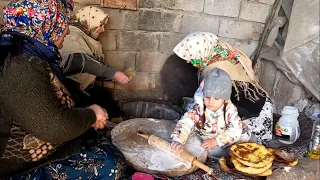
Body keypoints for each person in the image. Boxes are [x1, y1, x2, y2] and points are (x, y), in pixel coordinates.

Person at [0, 0, 124, 179]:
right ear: (46, 25)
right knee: (112, 165)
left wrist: (88, 113)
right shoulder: (21, 66)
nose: (66, 31)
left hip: (43, 138)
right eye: (63, 24)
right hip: (17, 164)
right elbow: (53, 128)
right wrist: (91, 114)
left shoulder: (29, 55)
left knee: (100, 143)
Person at [172, 32, 274, 143]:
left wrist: (217, 139)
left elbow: (233, 123)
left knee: (238, 138)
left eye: (191, 57)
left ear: (201, 52)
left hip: (256, 115)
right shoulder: (218, 51)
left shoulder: (217, 72)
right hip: (246, 104)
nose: (188, 61)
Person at [59, 6, 131, 119]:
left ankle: (113, 123)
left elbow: (95, 65)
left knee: (109, 104)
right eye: (100, 25)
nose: (103, 30)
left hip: (85, 85)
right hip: (69, 86)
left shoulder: (87, 38)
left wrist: (110, 77)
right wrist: (113, 74)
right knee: (91, 112)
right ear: (89, 22)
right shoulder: (73, 34)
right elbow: (80, 61)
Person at [171, 68, 253, 158]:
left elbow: (236, 129)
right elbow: (185, 122)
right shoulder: (199, 108)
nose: (211, 102)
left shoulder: (230, 110)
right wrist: (177, 140)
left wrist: (216, 141)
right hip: (204, 134)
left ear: (225, 100)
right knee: (195, 148)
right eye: (207, 97)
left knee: (245, 141)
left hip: (223, 135)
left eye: (216, 98)